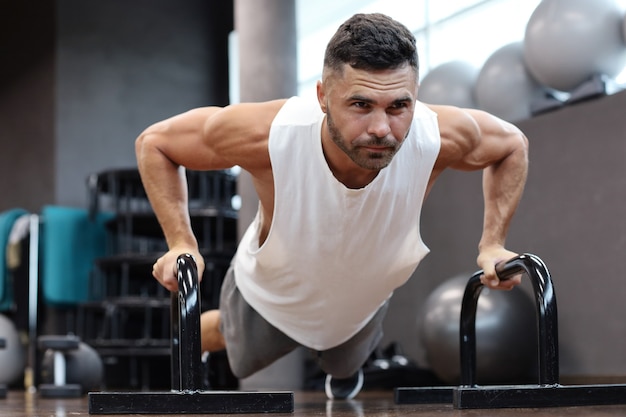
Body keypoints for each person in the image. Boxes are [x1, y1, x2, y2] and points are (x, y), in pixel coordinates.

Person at [137, 13, 528, 400]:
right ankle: (195, 348)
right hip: (275, 293)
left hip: (360, 299)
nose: (381, 128)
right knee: (228, 338)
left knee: (344, 363)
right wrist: (181, 243)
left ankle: (342, 372)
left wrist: (492, 243)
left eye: (397, 106)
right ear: (323, 97)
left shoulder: (436, 136)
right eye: (360, 104)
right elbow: (155, 143)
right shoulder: (268, 134)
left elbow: (512, 145)